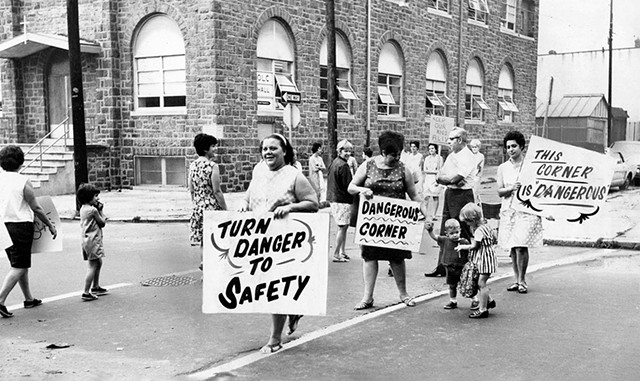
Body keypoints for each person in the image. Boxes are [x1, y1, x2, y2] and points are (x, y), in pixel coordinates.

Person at [239, 133, 319, 354]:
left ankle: (275, 339)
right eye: (265, 149)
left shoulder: (294, 176)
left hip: (284, 243)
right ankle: (293, 311)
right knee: (262, 286)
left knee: (276, 290)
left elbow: (313, 203)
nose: (268, 152)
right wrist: (244, 204)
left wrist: (290, 208)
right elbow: (249, 194)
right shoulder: (258, 170)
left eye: (273, 148)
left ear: (284, 151)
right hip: (258, 241)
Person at [348, 131, 427, 310]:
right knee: (369, 257)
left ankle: (403, 294)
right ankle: (367, 297)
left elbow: (414, 194)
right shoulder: (368, 166)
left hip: (396, 222)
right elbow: (351, 187)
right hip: (372, 221)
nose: (396, 158)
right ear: (383, 152)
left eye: (399, 154)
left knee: (397, 259)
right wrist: (362, 190)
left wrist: (425, 212)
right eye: (393, 155)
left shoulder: (403, 169)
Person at [0, 145, 57, 318]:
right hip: (20, 225)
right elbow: (36, 207)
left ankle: (28, 298)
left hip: (3, 225)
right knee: (20, 265)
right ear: (20, 162)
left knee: (18, 264)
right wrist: (50, 224)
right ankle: (0, 300)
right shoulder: (23, 181)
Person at [424, 127, 477, 278]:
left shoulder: (467, 156)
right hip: (450, 193)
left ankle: (464, 266)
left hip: (462, 196)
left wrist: (448, 179)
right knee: (445, 229)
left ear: (460, 140)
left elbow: (456, 179)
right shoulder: (451, 156)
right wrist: (447, 180)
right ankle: (443, 265)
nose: (448, 142)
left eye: (451, 139)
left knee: (461, 229)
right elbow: (440, 176)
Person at [497, 130, 544, 294]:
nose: (511, 149)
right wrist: (510, 188)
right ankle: (515, 279)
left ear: (522, 147)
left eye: (514, 146)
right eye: (508, 147)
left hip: (525, 210)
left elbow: (540, 189)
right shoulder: (503, 168)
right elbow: (499, 191)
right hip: (509, 210)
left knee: (521, 246)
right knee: (512, 246)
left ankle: (522, 280)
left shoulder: (530, 167)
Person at [455, 202, 497, 319]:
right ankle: (489, 300)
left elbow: (475, 246)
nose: (467, 224)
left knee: (481, 283)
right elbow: (494, 238)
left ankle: (483, 309)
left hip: (484, 258)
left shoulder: (479, 231)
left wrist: (463, 246)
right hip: (487, 255)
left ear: (473, 220)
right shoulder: (486, 226)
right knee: (479, 280)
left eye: (467, 221)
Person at [189, 133, 227, 249]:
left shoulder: (192, 165)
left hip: (198, 207)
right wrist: (225, 208)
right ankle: (210, 264)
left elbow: (191, 189)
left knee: (203, 241)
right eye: (213, 146)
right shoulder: (212, 166)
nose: (215, 149)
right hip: (211, 207)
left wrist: (196, 204)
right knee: (213, 239)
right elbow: (217, 191)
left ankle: (203, 262)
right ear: (206, 149)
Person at [424, 219, 470, 310]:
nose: (455, 235)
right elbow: (435, 237)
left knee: (467, 284)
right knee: (452, 285)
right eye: (452, 233)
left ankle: (474, 299)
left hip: (462, 267)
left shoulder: (464, 242)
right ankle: (453, 301)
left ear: (460, 230)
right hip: (450, 268)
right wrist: (430, 230)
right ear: (447, 233)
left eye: (457, 232)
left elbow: (470, 252)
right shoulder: (445, 240)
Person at [77, 183, 108, 301]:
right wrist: (102, 211)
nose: (98, 198)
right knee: (92, 265)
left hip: (87, 240)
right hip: (93, 241)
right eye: (95, 196)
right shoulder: (93, 210)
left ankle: (95, 286)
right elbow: (102, 223)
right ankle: (86, 291)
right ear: (89, 197)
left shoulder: (83, 208)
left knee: (98, 262)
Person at [326, 139, 354, 263]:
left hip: (334, 198)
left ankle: (342, 251)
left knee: (344, 226)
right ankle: (337, 253)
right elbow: (349, 185)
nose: (348, 153)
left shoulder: (335, 163)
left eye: (349, 151)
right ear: (339, 151)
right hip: (341, 199)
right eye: (345, 151)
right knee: (342, 227)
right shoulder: (343, 165)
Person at [421, 143, 444, 221]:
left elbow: (440, 169)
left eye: (433, 148)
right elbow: (425, 169)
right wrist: (432, 171)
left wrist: (436, 173)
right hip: (428, 178)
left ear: (436, 149)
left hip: (435, 178)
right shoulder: (427, 158)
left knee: (435, 196)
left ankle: (434, 215)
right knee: (426, 197)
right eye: (430, 149)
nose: (431, 150)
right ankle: (425, 213)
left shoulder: (439, 158)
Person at [469, 139, 485, 206]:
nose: (474, 149)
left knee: (475, 192)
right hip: (469, 176)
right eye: (473, 147)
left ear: (478, 147)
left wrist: (478, 177)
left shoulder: (480, 156)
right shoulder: (469, 155)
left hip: (476, 176)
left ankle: (475, 205)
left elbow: (480, 168)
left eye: (476, 147)